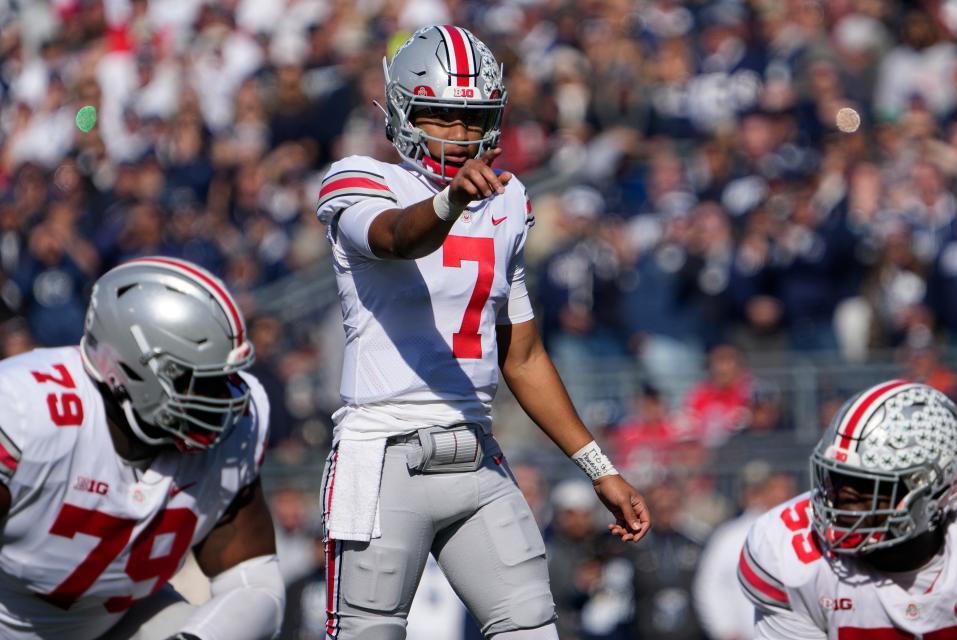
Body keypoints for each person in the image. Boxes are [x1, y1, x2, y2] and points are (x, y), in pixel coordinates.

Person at [315, 25, 649, 640]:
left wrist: (600, 467)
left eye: (474, 118)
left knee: (531, 627)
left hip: (477, 454)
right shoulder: (358, 177)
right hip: (385, 455)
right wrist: (448, 204)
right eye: (441, 116)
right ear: (402, 111)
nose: (461, 134)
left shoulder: (507, 199)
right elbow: (393, 238)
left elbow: (522, 355)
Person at [0, 256, 285, 639]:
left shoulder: (236, 428)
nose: (226, 398)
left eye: (227, 377)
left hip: (118, 622)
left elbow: (253, 584)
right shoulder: (23, 411)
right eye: (198, 380)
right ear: (130, 369)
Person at [738, 380, 957, 638]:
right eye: (837, 477)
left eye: (867, 483)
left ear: (937, 493)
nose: (843, 493)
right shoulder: (790, 557)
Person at [692, 461, 795, 640]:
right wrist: (725, 629)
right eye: (752, 489)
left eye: (763, 488)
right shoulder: (728, 536)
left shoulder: (797, 531)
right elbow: (710, 586)